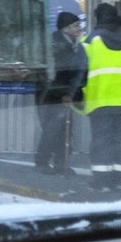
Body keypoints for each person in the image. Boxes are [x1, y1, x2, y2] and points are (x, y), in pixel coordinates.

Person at [76, 3, 121, 191]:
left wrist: (74, 96)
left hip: (99, 101)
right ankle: (118, 180)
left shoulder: (89, 41)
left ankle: (102, 181)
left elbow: (79, 74)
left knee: (102, 140)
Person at [34, 11, 84, 175]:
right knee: (53, 130)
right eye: (76, 25)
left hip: (60, 96)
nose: (79, 28)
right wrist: (64, 94)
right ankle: (42, 162)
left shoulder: (72, 43)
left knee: (64, 131)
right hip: (51, 97)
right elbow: (56, 74)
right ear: (66, 28)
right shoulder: (57, 44)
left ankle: (61, 165)